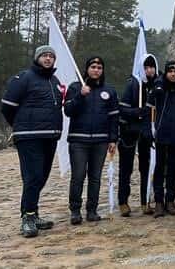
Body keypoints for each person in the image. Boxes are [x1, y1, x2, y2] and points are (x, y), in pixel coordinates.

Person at [1, 45, 64, 237]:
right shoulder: (24, 78)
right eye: (44, 56)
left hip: (50, 135)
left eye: (51, 56)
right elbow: (7, 106)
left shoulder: (54, 80)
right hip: (29, 136)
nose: (47, 59)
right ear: (37, 58)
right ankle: (27, 218)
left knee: (41, 177)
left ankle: (33, 213)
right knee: (33, 176)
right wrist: (20, 125)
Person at [64, 56, 119, 224]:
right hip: (78, 140)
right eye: (93, 66)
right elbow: (68, 111)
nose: (96, 70)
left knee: (95, 177)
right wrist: (80, 95)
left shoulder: (109, 91)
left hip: (101, 141)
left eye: (99, 67)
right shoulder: (75, 87)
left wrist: (113, 139)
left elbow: (113, 117)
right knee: (78, 176)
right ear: (87, 69)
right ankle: (75, 210)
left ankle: (92, 210)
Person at [117, 53, 159, 216]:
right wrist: (138, 112)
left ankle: (145, 201)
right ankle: (123, 202)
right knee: (126, 168)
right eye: (146, 67)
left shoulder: (157, 85)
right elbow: (123, 108)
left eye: (152, 67)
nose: (149, 70)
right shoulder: (133, 84)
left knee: (147, 168)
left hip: (148, 133)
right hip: (130, 132)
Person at [150, 60, 175, 217]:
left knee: (173, 169)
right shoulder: (159, 88)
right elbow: (150, 109)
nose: (173, 74)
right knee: (159, 169)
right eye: (170, 71)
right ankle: (158, 201)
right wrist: (151, 128)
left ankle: (170, 200)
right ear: (166, 72)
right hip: (160, 134)